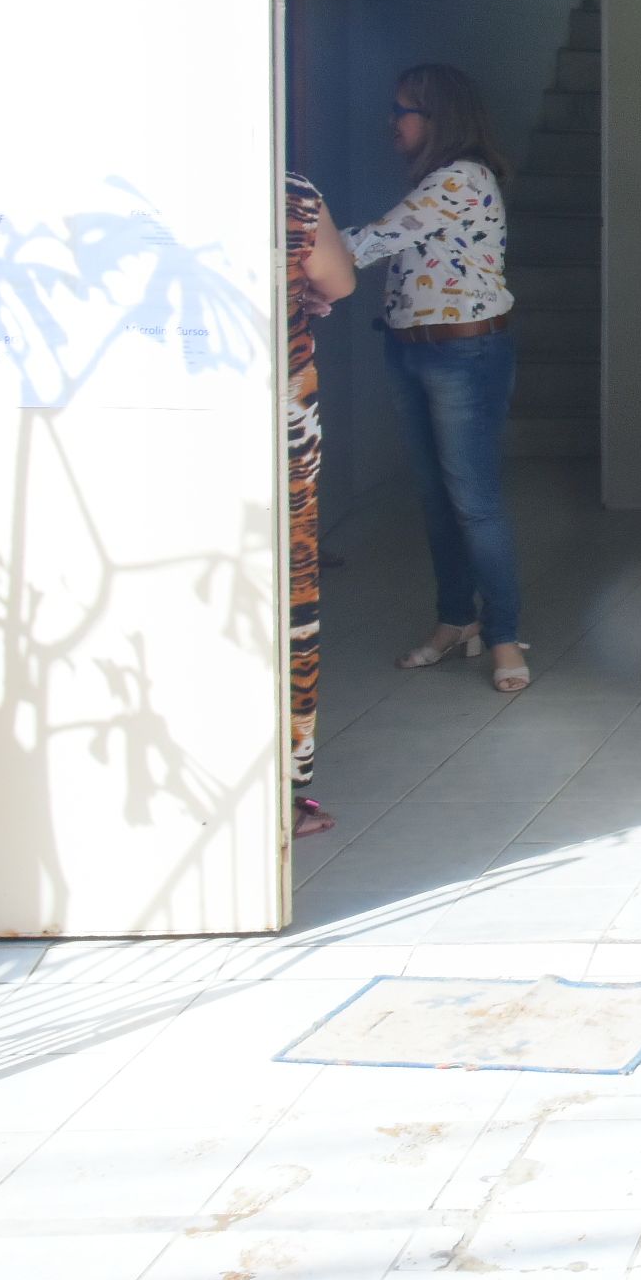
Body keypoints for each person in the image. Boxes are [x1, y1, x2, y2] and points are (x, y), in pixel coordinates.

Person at [345, 63, 530, 694]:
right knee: (435, 499)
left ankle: (503, 636)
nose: (393, 121)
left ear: (438, 117)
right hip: (411, 351)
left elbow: (370, 242)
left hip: (464, 357)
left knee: (474, 502)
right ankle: (455, 622)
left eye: (404, 110)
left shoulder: (461, 178)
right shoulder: (433, 180)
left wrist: (292, 239)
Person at [284, 174, 357, 833]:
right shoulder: (290, 193)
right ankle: (283, 792)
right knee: (287, 598)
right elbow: (338, 280)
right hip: (278, 424)